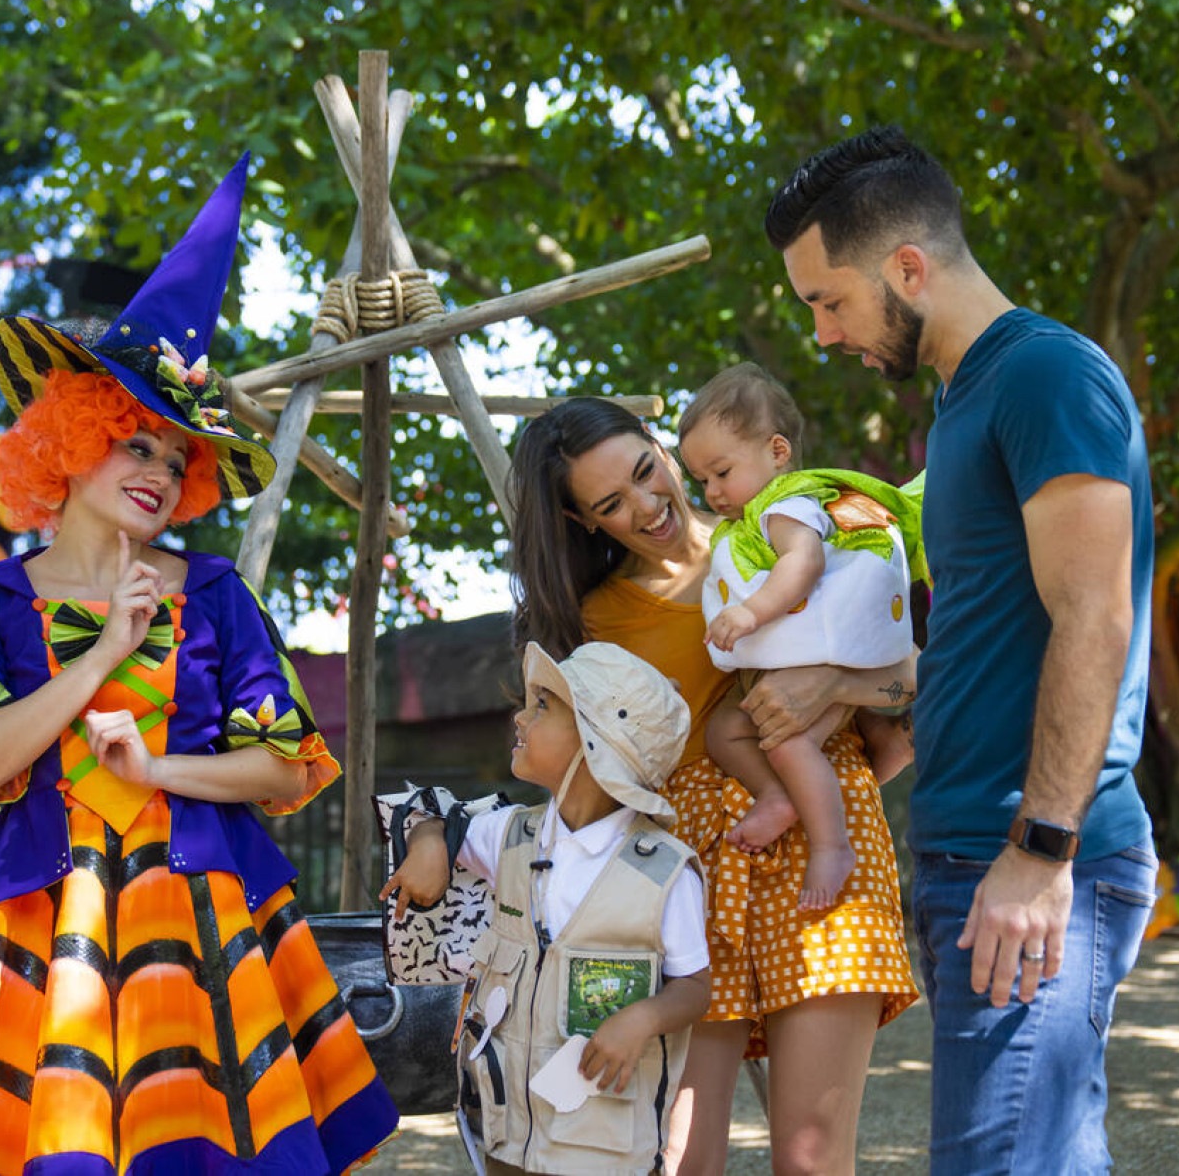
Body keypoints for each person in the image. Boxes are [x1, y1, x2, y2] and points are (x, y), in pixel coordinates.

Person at [0, 156, 399, 1175]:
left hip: (205, 923)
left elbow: (286, 769)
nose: (159, 475)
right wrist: (106, 655)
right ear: (73, 443)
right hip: (34, 923)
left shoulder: (215, 595)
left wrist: (155, 771)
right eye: (136, 446)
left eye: (176, 460)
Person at [765, 126, 1158, 1174]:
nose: (822, 333)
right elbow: (988, 643)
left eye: (827, 300)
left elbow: (1095, 617)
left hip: (1027, 855)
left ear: (907, 267)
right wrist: (847, 685)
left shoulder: (1043, 377)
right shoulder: (961, 406)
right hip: (966, 847)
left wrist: (1038, 851)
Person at [505, 397, 920, 1175]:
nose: (647, 504)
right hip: (687, 865)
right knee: (675, 1156)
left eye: (644, 470)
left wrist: (832, 683)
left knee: (811, 1155)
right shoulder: (593, 621)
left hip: (825, 842)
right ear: (584, 522)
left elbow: (904, 677)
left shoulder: (782, 531)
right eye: (611, 504)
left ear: (662, 447)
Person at [381, 641, 711, 1176]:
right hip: (507, 1136)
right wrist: (426, 844)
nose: (519, 716)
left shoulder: (664, 873)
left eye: (542, 706)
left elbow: (695, 987)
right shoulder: (509, 836)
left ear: (596, 744)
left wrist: (643, 1018)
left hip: (605, 1148)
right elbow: (431, 813)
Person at [678, 362, 923, 912]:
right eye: (702, 481)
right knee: (727, 731)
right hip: (799, 675)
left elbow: (804, 563)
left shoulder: (787, 505)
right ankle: (779, 796)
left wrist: (750, 613)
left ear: (778, 452)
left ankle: (832, 847)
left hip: (832, 663)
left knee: (788, 740)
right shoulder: (749, 521)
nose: (713, 491)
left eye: (721, 472)